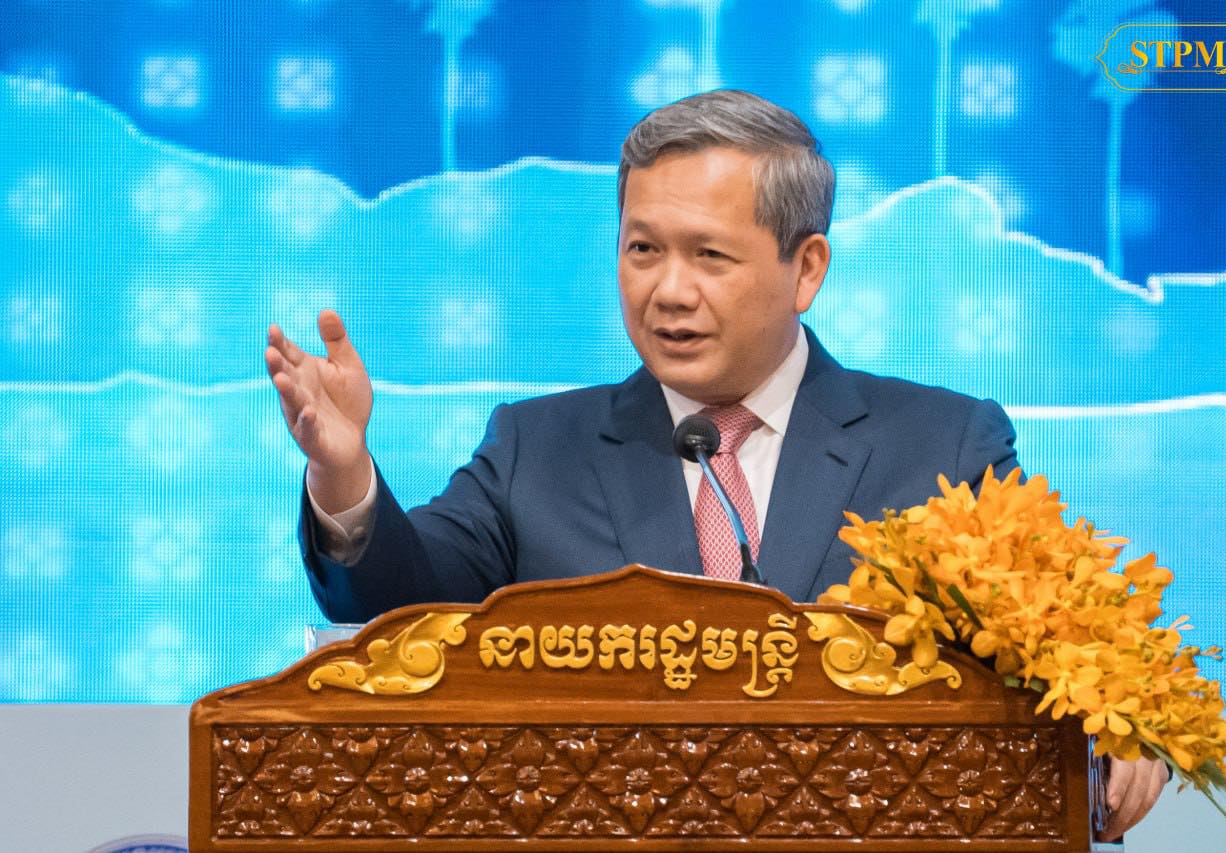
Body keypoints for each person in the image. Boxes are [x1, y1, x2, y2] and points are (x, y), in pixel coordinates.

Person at [265, 89, 1165, 840]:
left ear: (806, 268)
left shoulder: (943, 447)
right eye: (643, 250)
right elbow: (399, 602)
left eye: (708, 255)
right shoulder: (536, 447)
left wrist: (1117, 725)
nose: (668, 291)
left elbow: (1062, 629)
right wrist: (345, 473)